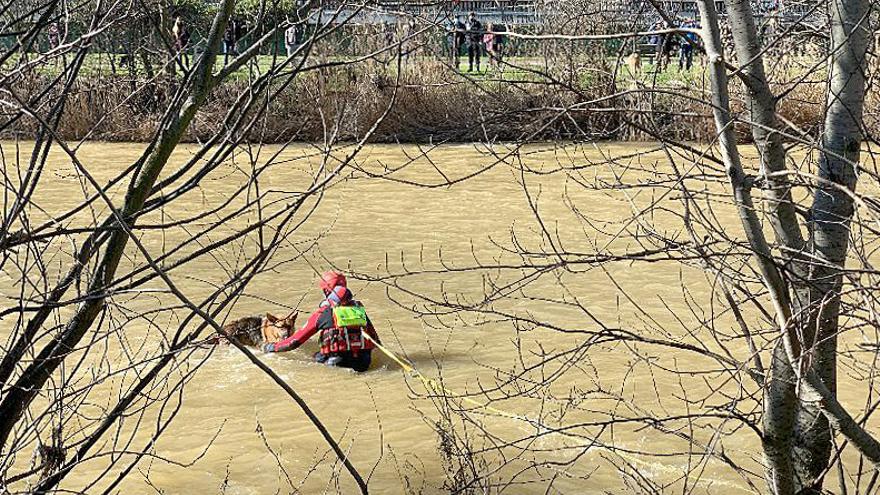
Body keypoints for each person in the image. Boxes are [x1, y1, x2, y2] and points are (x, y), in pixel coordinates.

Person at [263, 271, 380, 372]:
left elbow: (293, 342)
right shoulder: (359, 309)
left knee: (314, 357)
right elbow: (376, 341)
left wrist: (270, 347)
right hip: (364, 363)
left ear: (326, 291)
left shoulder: (323, 313)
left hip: (337, 363)